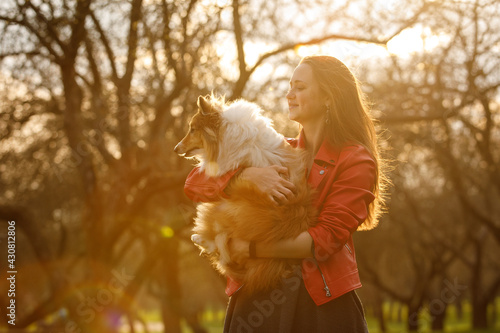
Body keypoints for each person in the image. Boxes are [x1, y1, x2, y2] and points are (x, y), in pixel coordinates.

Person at [183, 55, 387, 332]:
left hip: (320, 306)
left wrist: (250, 248)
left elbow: (323, 241)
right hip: (255, 299)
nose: (289, 95)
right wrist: (245, 176)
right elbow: (194, 183)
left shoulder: (356, 160)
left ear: (329, 97)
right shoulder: (280, 149)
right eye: (290, 86)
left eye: (300, 87)